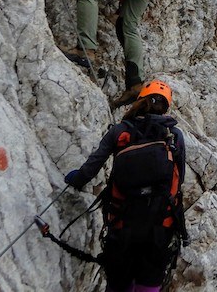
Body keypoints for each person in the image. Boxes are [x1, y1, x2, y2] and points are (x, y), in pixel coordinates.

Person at [64, 80, 187, 292]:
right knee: (148, 285)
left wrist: (76, 179)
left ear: (140, 100)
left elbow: (93, 164)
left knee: (119, 284)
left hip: (123, 225)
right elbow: (180, 177)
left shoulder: (121, 131)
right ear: (166, 107)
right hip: (160, 227)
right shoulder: (174, 135)